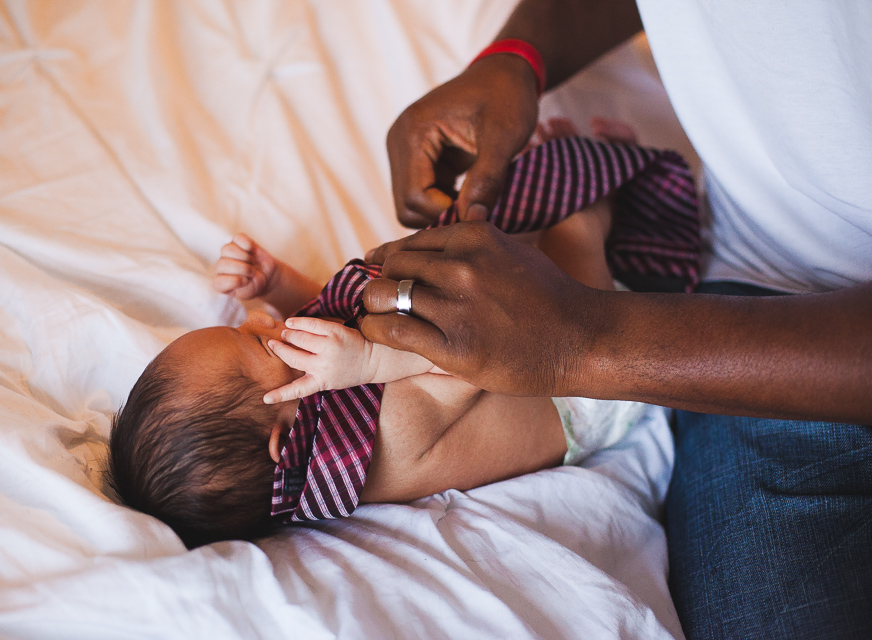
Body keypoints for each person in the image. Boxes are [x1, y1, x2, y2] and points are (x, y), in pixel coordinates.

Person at [360, 1, 872, 639]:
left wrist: (585, 340)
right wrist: (518, 53)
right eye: (259, 349)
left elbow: (418, 365)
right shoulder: (360, 456)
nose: (275, 335)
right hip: (753, 288)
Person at [106, 122, 699, 549]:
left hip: (514, 363)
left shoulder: (315, 420)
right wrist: (367, 360)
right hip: (581, 390)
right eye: (259, 344)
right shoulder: (382, 454)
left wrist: (276, 281)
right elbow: (468, 363)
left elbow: (322, 310)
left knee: (506, 247)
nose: (265, 323)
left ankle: (564, 188)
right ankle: (602, 204)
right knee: (569, 244)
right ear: (284, 440)